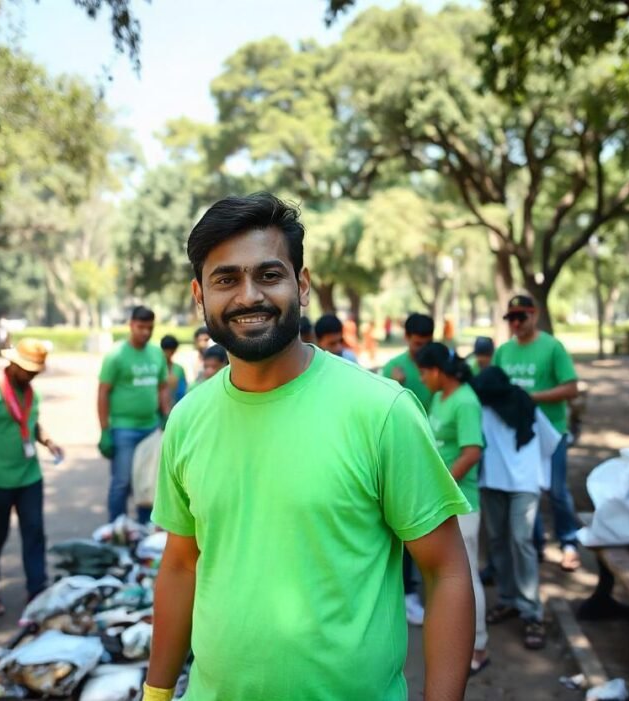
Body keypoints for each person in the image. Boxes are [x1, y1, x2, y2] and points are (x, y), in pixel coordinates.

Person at [144, 193, 474, 701]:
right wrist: (157, 692)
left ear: (301, 285)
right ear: (199, 295)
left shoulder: (380, 412)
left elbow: (445, 569)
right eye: (226, 279)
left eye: (269, 275)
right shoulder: (187, 420)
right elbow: (181, 565)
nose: (248, 295)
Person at [0, 339, 63, 616]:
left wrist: (48, 440)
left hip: (30, 477)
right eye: (28, 370)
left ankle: (37, 590)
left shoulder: (30, 392)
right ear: (13, 363)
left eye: (35, 372)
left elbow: (30, 422)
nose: (32, 376)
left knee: (34, 533)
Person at [472, 366, 560, 651]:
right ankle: (508, 599)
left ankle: (532, 612)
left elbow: (550, 441)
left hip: (524, 484)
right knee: (497, 541)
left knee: (522, 541)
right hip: (492, 483)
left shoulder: (524, 403)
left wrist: (534, 471)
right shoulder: (481, 407)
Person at [416, 342, 489, 675]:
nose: (421, 378)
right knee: (445, 577)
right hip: (441, 503)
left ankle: (479, 646)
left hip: (463, 503)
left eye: (424, 372)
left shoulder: (465, 402)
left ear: (437, 371)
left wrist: (442, 485)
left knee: (468, 576)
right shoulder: (438, 398)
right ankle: (452, 640)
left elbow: (472, 452)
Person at [493, 294, 581, 571]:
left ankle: (569, 542)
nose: (516, 323)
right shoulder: (503, 351)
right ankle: (536, 544)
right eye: (511, 318)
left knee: (556, 491)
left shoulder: (552, 347)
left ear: (535, 315)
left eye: (522, 316)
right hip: (518, 436)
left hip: (551, 433)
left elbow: (571, 388)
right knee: (526, 490)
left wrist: (533, 397)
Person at [381, 311, 435, 623]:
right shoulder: (394, 368)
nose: (421, 348)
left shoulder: (439, 360)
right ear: (407, 339)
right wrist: (396, 385)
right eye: (417, 344)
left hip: (436, 451)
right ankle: (406, 590)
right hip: (405, 456)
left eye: (426, 342)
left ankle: (424, 585)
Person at [98, 307, 170, 521]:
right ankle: (116, 529)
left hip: (151, 428)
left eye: (150, 328)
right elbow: (103, 393)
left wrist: (166, 413)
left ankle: (143, 529)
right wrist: (104, 430)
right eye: (141, 327)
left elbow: (163, 387)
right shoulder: (116, 355)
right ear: (131, 325)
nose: (145, 332)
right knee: (121, 482)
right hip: (123, 429)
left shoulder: (156, 353)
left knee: (147, 481)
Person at [160, 335, 187, 408]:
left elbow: (182, 391)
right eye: (166, 350)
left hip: (174, 406)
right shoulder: (157, 367)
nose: (168, 353)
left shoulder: (179, 369)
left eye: (171, 351)